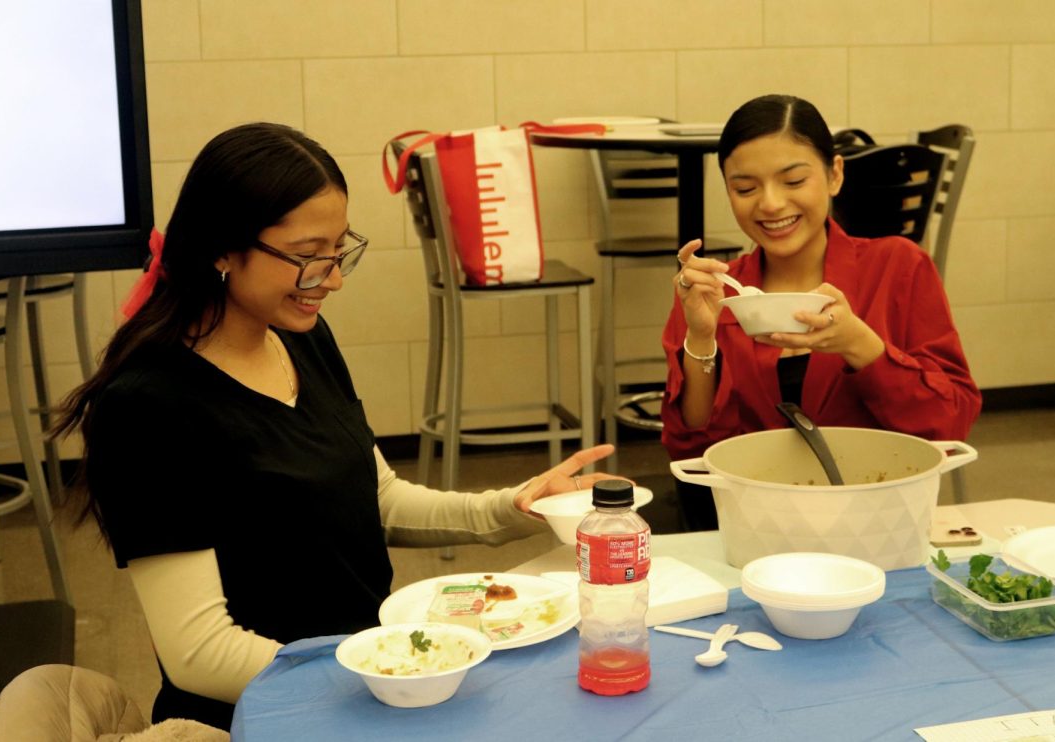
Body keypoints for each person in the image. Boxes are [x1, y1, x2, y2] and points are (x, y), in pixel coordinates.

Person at [54, 122, 616, 731]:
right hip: (269, 715)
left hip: (367, 690)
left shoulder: (299, 338)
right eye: (305, 257)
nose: (333, 279)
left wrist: (514, 507)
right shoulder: (147, 406)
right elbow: (199, 654)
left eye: (338, 250)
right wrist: (376, 675)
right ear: (221, 248)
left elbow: (376, 498)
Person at [661, 94, 981, 527]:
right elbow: (690, 446)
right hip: (753, 521)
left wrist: (858, 344)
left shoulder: (898, 267)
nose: (770, 204)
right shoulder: (714, 292)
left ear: (834, 175)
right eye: (745, 188)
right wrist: (701, 337)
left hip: (874, 519)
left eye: (793, 181)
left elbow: (948, 424)